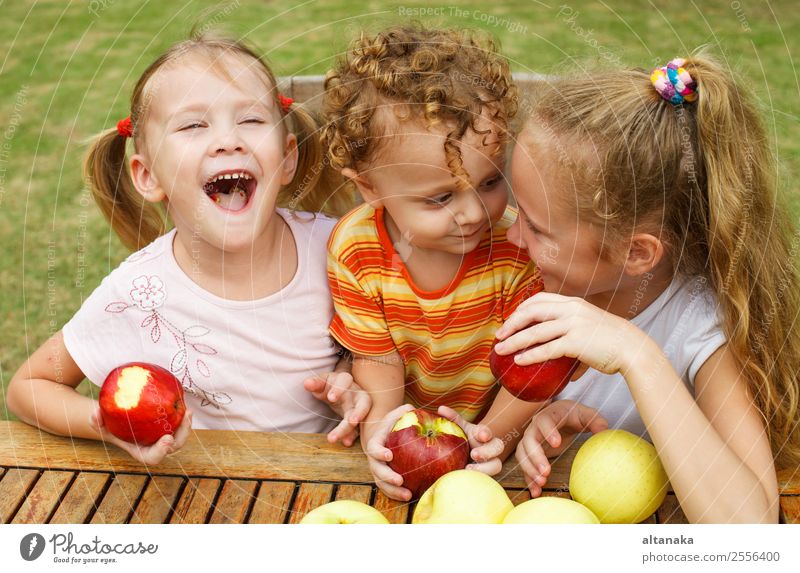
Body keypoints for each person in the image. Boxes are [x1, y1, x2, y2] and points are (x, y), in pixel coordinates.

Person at [6, 33, 367, 465]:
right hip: (207, 494)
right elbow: (28, 386)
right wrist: (102, 421)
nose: (228, 140)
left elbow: (385, 338)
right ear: (148, 175)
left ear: (287, 157)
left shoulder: (341, 249)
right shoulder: (141, 291)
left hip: (328, 488)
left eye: (251, 119)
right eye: (194, 125)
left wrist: (351, 376)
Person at [496, 55, 800, 522]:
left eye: (536, 228)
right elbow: (490, 441)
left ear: (637, 253)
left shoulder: (701, 325)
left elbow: (752, 530)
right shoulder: (558, 293)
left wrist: (636, 353)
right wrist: (543, 425)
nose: (514, 237)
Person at [321, 25, 545, 501]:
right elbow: (378, 365)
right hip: (411, 435)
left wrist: (492, 439)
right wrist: (380, 440)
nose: (473, 212)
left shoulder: (516, 247)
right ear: (370, 188)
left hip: (498, 427)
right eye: (440, 197)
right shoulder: (357, 249)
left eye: (489, 182)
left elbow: (534, 367)